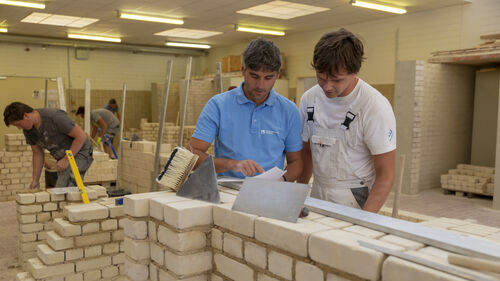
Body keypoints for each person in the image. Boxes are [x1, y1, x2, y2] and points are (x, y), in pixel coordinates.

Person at [297, 28, 396, 213]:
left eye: (336, 80)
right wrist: (297, 198)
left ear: (354, 71)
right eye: (321, 77)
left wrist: (364, 220)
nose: (327, 87)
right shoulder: (309, 100)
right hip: (318, 191)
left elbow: (386, 174)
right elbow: (306, 154)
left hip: (355, 198)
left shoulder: (374, 106)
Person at [189, 38, 303, 181]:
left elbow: (296, 162)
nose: (260, 85)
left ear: (277, 75)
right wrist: (231, 165)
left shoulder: (289, 110)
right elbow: (192, 155)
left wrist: (281, 181)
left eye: (268, 78)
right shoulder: (218, 105)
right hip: (227, 193)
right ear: (243, 70)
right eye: (254, 76)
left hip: (270, 192)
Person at [3, 102, 93, 188]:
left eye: (18, 124)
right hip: (63, 156)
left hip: (80, 150)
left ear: (26, 116)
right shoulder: (28, 130)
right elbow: (37, 153)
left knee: (66, 187)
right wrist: (35, 180)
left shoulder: (55, 117)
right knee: (62, 187)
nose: (19, 128)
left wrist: (66, 159)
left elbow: (81, 136)